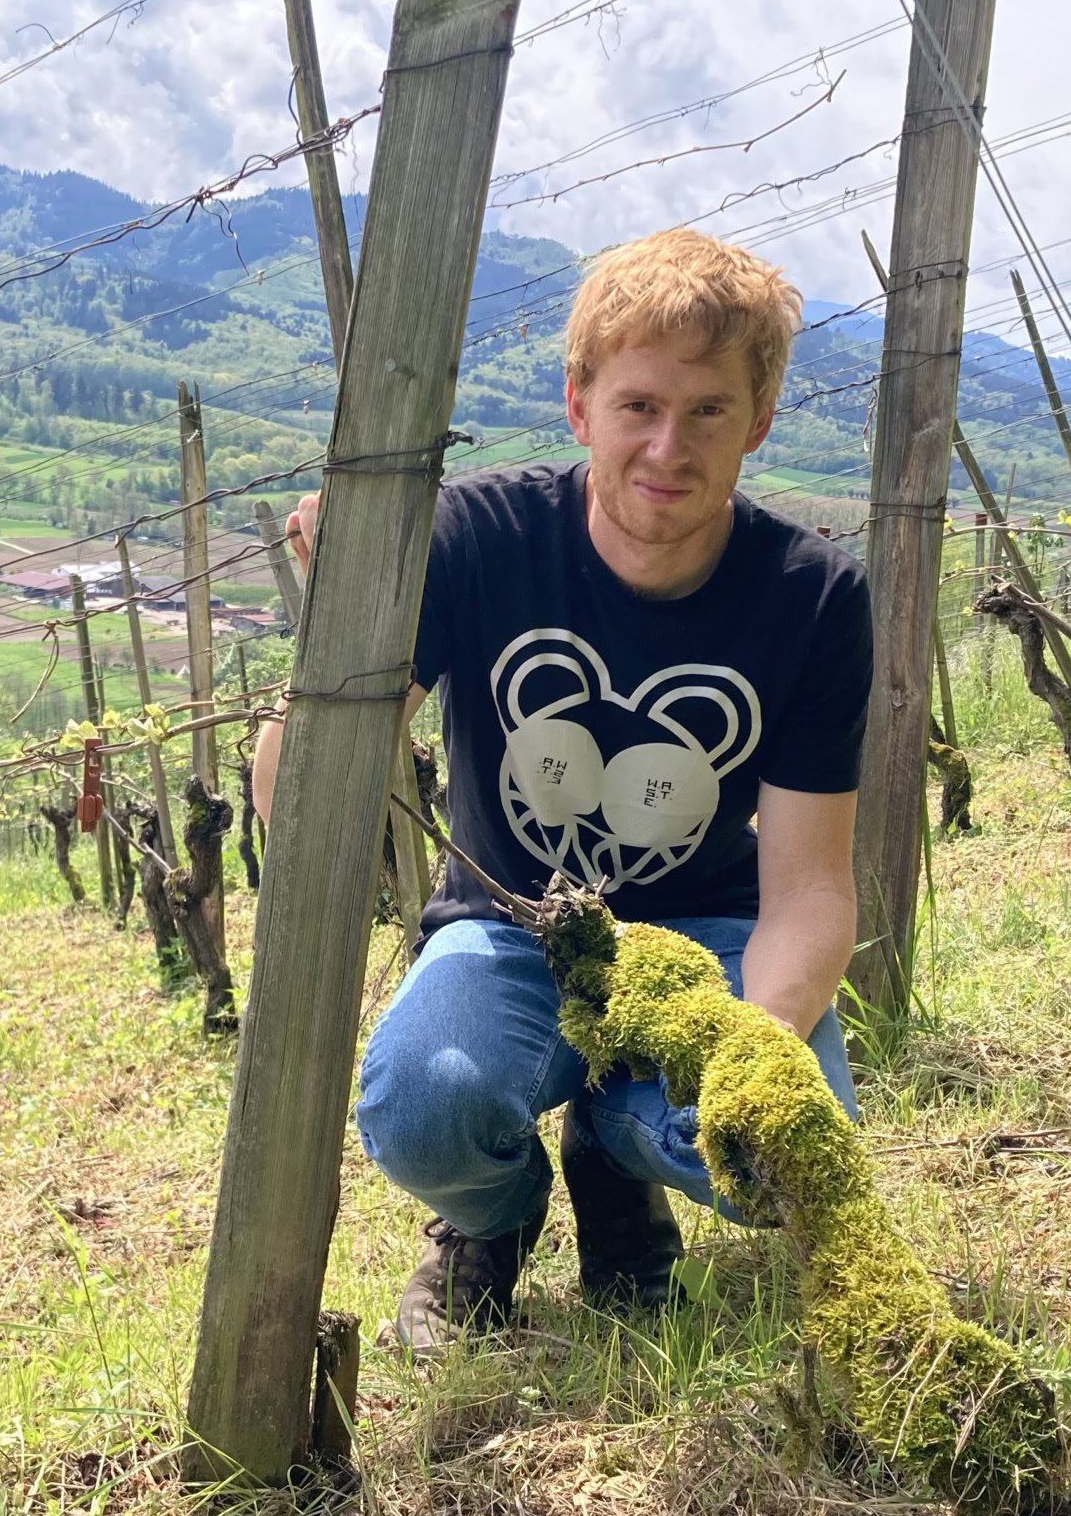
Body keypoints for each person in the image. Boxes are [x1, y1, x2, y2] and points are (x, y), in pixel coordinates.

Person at [251, 228, 871, 1351]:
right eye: (638, 406)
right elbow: (293, 808)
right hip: (510, 931)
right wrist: (337, 631)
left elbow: (812, 893)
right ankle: (489, 1218)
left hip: (709, 936)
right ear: (579, 406)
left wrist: (752, 1051)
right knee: (422, 1105)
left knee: (779, 1144)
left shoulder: (811, 597)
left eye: (708, 413)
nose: (667, 448)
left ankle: (611, 1148)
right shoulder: (474, 541)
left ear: (761, 422)